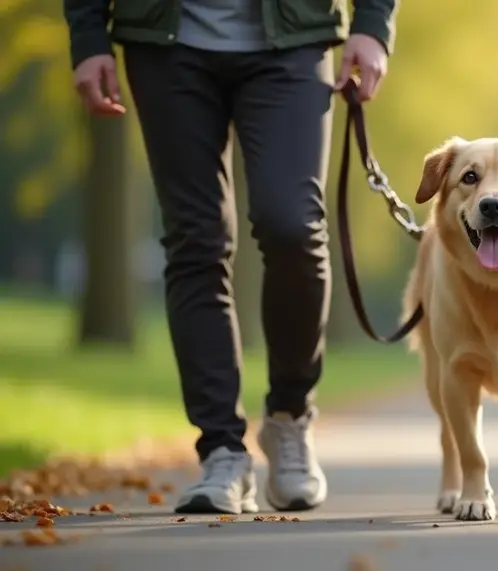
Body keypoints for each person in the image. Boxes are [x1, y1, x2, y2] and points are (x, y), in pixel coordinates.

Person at [62, 0, 398, 514]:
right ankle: (221, 449)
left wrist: (373, 25)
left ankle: (289, 418)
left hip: (293, 38)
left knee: (293, 227)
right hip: (164, 42)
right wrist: (87, 36)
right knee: (195, 241)